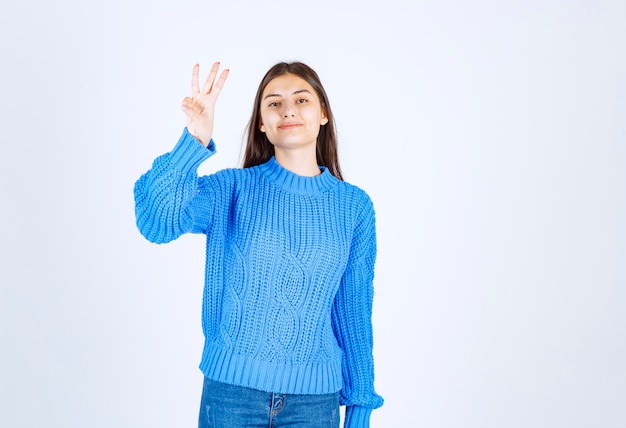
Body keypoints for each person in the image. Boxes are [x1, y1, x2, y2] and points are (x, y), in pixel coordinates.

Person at [134, 61, 383, 427]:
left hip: (315, 405)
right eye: (274, 103)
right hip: (231, 395)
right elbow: (156, 220)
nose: (288, 110)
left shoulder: (354, 207)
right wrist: (194, 141)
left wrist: (360, 408)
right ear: (262, 124)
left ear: (323, 114)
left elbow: (354, 312)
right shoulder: (232, 189)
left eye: (301, 100)